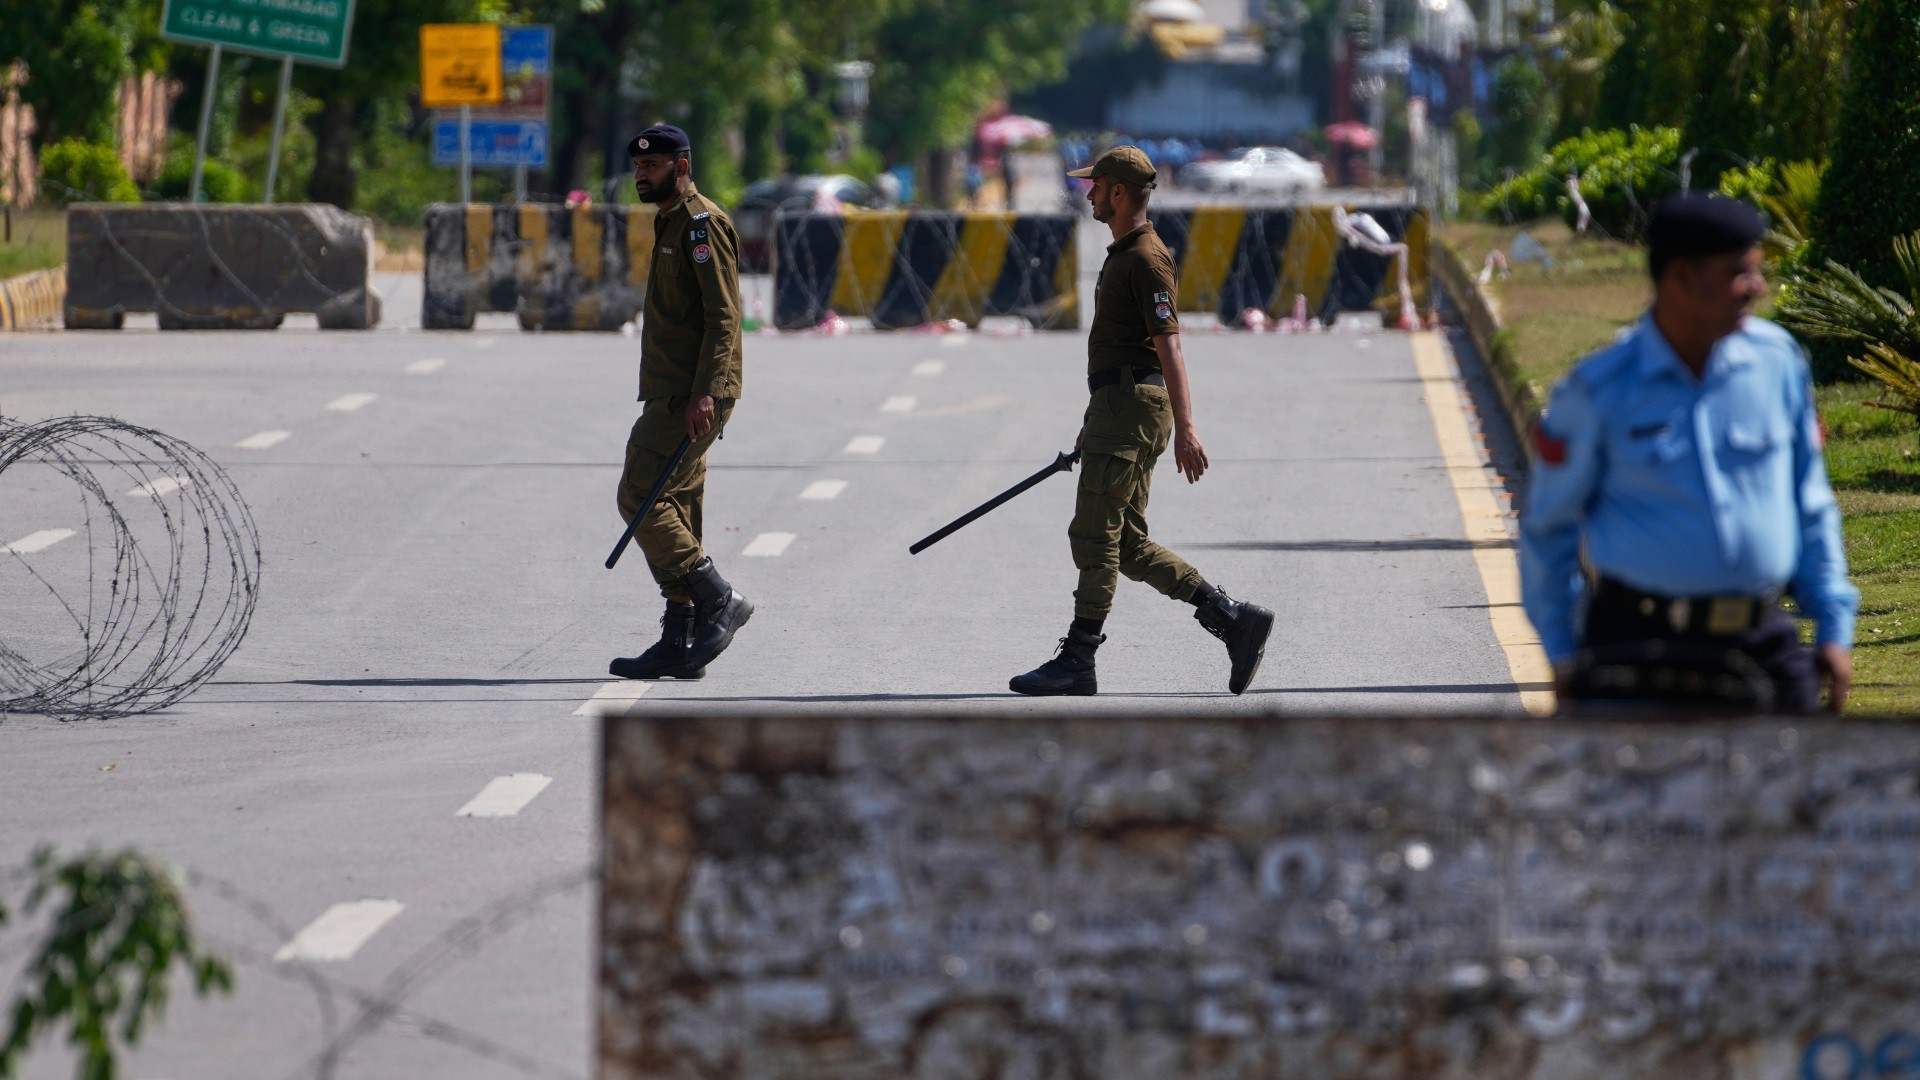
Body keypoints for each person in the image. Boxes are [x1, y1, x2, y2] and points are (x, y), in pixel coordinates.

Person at [1519, 194, 1858, 713]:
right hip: (1635, 649)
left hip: (1759, 643)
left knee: (1793, 792)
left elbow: (1809, 503)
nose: (1758, 288)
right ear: (1680, 279)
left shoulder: (1778, 365)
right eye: (1739, 273)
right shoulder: (1597, 392)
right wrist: (1563, 654)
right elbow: (1549, 531)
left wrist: (1834, 628)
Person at [1009, 145, 1275, 697]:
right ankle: (1231, 619)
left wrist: (1187, 427)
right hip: (1118, 408)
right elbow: (1120, 351)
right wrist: (1096, 419)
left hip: (1132, 408)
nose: (1089, 194)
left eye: (1098, 185)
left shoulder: (1145, 258)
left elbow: (1168, 345)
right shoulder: (1125, 253)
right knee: (1126, 545)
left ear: (1119, 193)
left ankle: (1079, 659)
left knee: (1096, 535)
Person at [609, 124, 752, 681]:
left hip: (690, 394)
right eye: (640, 167)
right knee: (678, 503)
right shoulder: (670, 222)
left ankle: (717, 596)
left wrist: (706, 393)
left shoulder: (701, 225)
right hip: (674, 388)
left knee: (639, 495)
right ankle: (680, 634)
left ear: (682, 166)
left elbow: (724, 316)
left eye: (655, 166)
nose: (643, 175)